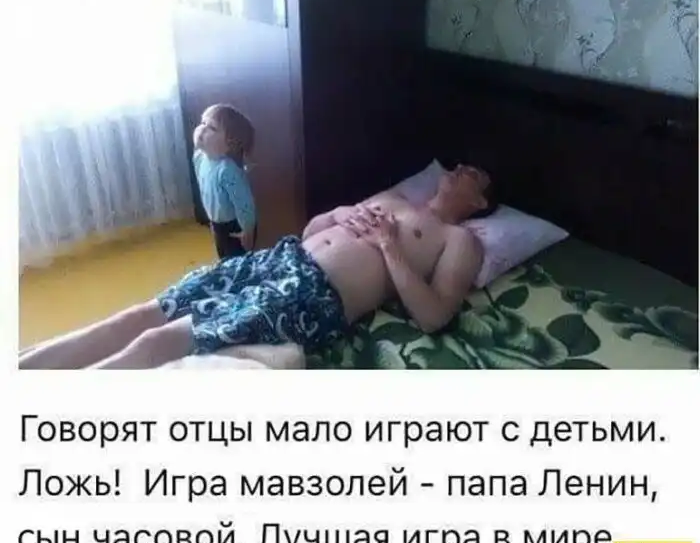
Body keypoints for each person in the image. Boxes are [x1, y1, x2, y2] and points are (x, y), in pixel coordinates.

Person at [19, 165, 498, 369]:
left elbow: (434, 316)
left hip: (312, 295)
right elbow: (312, 233)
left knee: (156, 341)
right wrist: (337, 214)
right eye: (457, 164)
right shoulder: (393, 197)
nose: (457, 169)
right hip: (278, 257)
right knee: (141, 315)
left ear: (480, 202)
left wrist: (390, 247)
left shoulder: (459, 240)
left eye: (472, 174)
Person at [194, 103, 258, 259]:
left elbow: (245, 205)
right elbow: (205, 189)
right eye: (203, 123)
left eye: (212, 128)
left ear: (230, 143)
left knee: (238, 261)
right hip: (217, 223)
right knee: (223, 256)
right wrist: (212, 220)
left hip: (235, 227)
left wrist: (247, 231)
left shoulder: (228, 171)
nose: (202, 129)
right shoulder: (199, 158)